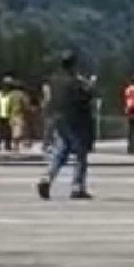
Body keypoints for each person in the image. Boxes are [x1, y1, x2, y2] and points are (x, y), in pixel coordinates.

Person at [37, 51, 95, 201]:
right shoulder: (74, 81)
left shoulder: (54, 80)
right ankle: (77, 187)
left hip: (58, 119)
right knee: (81, 154)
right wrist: (89, 86)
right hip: (75, 119)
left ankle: (47, 178)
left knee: (61, 151)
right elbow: (84, 98)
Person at [4, 81, 29, 152]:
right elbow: (26, 104)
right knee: (18, 130)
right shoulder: (22, 94)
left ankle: (14, 145)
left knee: (13, 129)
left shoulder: (9, 95)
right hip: (19, 114)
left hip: (10, 114)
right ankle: (16, 145)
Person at [0, 76, 13, 153]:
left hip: (8, 114)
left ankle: (7, 145)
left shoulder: (10, 94)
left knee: (7, 130)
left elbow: (11, 105)